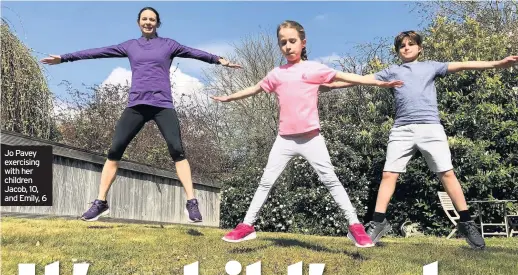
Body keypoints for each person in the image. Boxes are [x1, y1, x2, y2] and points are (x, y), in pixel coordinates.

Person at [322, 30, 518, 249]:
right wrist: (330, 85)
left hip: (430, 128)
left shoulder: (431, 67)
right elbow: (361, 80)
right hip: (402, 130)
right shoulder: (392, 71)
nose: (406, 48)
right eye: (402, 46)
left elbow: (464, 64)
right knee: (389, 174)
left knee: (447, 173)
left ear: (420, 48)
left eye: (411, 44)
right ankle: (378, 222)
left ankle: (466, 222)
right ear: (398, 51)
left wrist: (498, 63)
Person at [211, 20, 403, 247]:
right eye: (283, 43)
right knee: (265, 182)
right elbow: (254, 88)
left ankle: (355, 227)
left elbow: (347, 77)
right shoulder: (276, 74)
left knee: (331, 180)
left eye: (292, 41)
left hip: (311, 139)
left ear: (303, 43)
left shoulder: (314, 69)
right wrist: (229, 97)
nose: (288, 46)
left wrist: (378, 83)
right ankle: (247, 225)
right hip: (284, 140)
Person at [41, 7, 241, 223]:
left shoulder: (168, 45)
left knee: (177, 149)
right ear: (139, 22)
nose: (148, 22)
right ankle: (100, 202)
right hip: (136, 105)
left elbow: (194, 52)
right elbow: (98, 52)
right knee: (115, 149)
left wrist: (218, 59)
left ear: (157, 23)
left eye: (152, 19)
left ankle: (191, 202)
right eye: (144, 19)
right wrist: (65, 58)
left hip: (162, 105)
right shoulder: (130, 46)